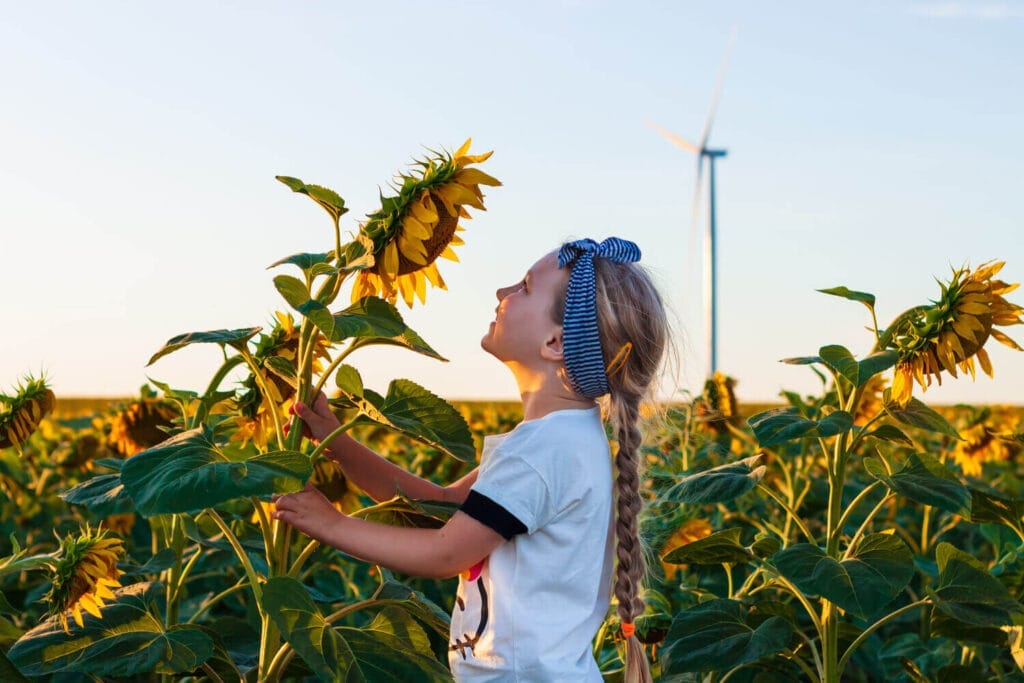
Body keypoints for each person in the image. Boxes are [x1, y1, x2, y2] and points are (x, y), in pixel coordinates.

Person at [273, 237, 669, 682]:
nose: (502, 293)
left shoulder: (543, 452)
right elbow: (442, 504)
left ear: (555, 341)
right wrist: (337, 443)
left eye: (523, 287)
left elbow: (446, 552)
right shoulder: (561, 439)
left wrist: (332, 524)